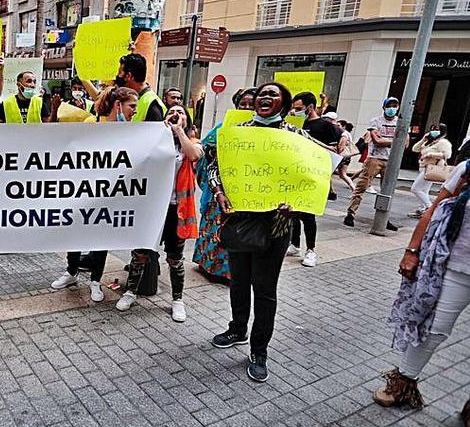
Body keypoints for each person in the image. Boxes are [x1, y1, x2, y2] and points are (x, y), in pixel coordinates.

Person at [207, 82, 322, 383]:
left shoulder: (295, 136)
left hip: (276, 224)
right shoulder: (238, 132)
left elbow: (312, 176)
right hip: (241, 219)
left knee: (265, 289)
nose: (265, 98)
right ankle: (237, 328)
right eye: (261, 94)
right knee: (239, 281)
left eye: (273, 94)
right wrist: (219, 191)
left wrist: (295, 203)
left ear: (283, 103)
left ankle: (259, 350)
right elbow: (215, 166)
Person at [374, 160, 470, 422]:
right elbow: (434, 209)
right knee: (433, 330)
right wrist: (412, 250)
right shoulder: (469, 168)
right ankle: (403, 383)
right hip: (457, 266)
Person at [116, 103, 203, 321]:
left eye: (180, 112)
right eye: (171, 112)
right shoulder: (153, 143)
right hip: (151, 208)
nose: (175, 114)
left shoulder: (191, 143)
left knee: (175, 258)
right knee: (140, 253)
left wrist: (179, 130)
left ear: (187, 121)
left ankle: (177, 300)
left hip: (176, 210)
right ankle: (130, 292)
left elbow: (194, 156)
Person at [51, 87, 139, 300]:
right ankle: (71, 272)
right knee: (76, 232)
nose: (135, 111)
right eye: (132, 106)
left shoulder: (134, 131)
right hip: (84, 191)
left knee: (101, 235)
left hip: (111, 194)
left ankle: (95, 281)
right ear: (118, 105)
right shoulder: (92, 123)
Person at [193, 88, 256, 283]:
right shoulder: (223, 128)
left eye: (250, 105)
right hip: (219, 189)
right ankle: (208, 266)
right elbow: (204, 149)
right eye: (242, 104)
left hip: (246, 191)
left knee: (236, 231)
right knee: (214, 227)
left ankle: (231, 272)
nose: (246, 108)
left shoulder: (264, 133)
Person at [285, 92, 342, 268]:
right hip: (294, 174)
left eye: (299, 109)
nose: (296, 112)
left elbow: (334, 149)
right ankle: (295, 244)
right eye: (294, 108)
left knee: (308, 216)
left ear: (310, 107)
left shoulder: (325, 126)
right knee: (292, 214)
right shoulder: (294, 124)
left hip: (312, 176)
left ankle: (311, 250)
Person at [344, 97, 402, 229]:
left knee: (387, 191)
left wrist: (385, 140)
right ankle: (350, 213)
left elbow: (404, 143)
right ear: (384, 107)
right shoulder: (375, 121)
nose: (392, 108)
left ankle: (383, 218)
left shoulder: (400, 122)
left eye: (395, 105)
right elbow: (376, 141)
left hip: (391, 160)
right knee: (362, 186)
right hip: (374, 158)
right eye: (389, 105)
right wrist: (394, 141)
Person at [409, 123, 452, 219]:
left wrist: (430, 155)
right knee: (424, 190)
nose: (433, 131)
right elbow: (415, 149)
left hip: (431, 168)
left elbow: (447, 155)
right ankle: (422, 209)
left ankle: (430, 208)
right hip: (423, 167)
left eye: (436, 129)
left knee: (416, 189)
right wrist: (423, 139)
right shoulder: (430, 141)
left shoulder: (443, 142)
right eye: (432, 129)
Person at [114, 53, 165, 122]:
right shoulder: (131, 97)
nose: (117, 76)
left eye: (120, 72)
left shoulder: (153, 105)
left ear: (129, 75)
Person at [336, 120, 357, 191]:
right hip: (347, 157)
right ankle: (354, 190)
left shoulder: (344, 134)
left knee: (342, 174)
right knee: (342, 174)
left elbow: (341, 146)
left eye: (338, 125)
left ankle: (354, 190)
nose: (337, 127)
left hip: (342, 157)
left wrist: (338, 152)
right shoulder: (348, 134)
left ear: (343, 126)